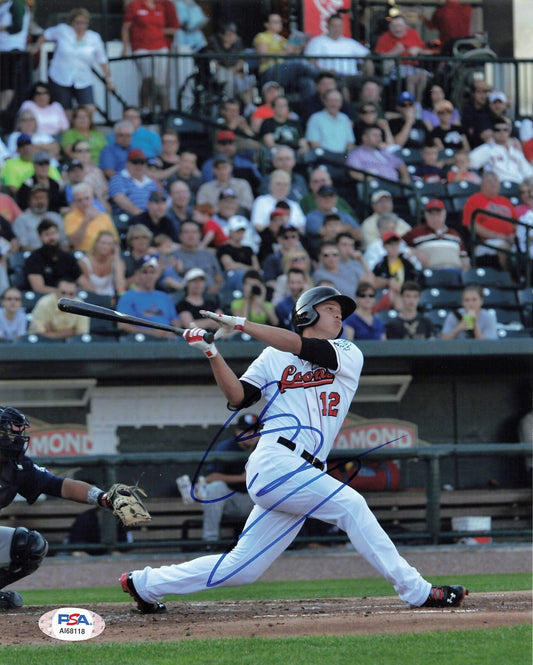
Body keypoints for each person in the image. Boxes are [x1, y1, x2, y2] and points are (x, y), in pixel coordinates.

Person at [119, 284, 469, 613]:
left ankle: (146, 584)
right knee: (351, 505)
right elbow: (239, 397)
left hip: (304, 471)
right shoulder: (272, 357)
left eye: (340, 311)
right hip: (276, 461)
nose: (338, 316)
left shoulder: (347, 351)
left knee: (242, 569)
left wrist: (241, 324)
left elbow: (304, 348)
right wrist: (212, 353)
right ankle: (418, 591)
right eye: (329, 309)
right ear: (306, 315)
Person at [0, 406, 124, 608]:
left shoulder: (17, 467)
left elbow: (60, 486)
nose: (12, 439)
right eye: (4, 433)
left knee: (29, 545)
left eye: (12, 433)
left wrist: (103, 498)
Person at [31, 9, 114, 117]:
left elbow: (102, 60)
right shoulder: (62, 30)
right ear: (71, 22)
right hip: (60, 76)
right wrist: (36, 48)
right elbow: (46, 35)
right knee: (65, 111)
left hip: (83, 78)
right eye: (77, 22)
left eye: (83, 23)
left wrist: (109, 80)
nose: (80, 26)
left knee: (89, 108)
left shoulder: (94, 37)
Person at [199, 413, 261, 544]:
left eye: (254, 431)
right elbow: (210, 478)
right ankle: (210, 541)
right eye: (246, 431)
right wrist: (240, 478)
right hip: (231, 500)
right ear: (237, 431)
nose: (251, 435)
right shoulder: (226, 447)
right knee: (214, 488)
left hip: (256, 501)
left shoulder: (265, 448)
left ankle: (273, 543)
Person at [121, 0, 179, 115]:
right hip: (141, 46)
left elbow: (172, 28)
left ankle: (164, 110)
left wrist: (157, 32)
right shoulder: (135, 5)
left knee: (161, 82)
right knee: (148, 78)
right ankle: (145, 108)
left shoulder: (160, 7)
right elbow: (126, 27)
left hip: (160, 46)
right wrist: (125, 47)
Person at [304, 13, 373, 102]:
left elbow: (367, 55)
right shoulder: (317, 41)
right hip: (331, 76)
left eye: (339, 26)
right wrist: (325, 71)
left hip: (353, 76)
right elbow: (311, 62)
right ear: (327, 26)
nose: (337, 29)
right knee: (342, 83)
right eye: (334, 26)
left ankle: (371, 109)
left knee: (372, 83)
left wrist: (367, 72)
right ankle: (347, 110)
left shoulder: (350, 42)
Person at [252, 12, 318, 101]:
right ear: (266, 24)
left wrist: (299, 47)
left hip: (286, 71)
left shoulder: (283, 39)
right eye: (275, 22)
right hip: (270, 70)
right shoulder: (262, 37)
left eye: (280, 22)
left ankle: (309, 110)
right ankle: (322, 77)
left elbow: (291, 55)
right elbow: (263, 58)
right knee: (302, 64)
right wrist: (285, 51)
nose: (279, 25)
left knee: (307, 82)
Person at [461, 172, 516, 270]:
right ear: (482, 184)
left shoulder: (505, 201)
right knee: (504, 247)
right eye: (489, 181)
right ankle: (511, 280)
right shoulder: (474, 200)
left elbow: (516, 223)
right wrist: (498, 236)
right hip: (485, 242)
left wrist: (514, 236)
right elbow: (471, 225)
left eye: (495, 181)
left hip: (510, 240)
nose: (493, 184)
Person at [116, 255, 180, 338]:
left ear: (156, 275)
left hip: (167, 340)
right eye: (145, 272)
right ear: (137, 274)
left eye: (152, 272)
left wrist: (171, 333)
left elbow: (176, 324)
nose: (149, 276)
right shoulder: (128, 296)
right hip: (141, 340)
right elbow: (122, 325)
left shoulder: (164, 296)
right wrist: (152, 333)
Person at [373, 15, 432, 104]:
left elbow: (427, 52)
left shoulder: (413, 34)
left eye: (399, 26)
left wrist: (418, 50)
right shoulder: (384, 37)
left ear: (406, 27)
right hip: (394, 69)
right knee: (412, 78)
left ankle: (418, 105)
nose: (397, 29)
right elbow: (378, 58)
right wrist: (394, 52)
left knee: (422, 76)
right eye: (394, 26)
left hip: (414, 67)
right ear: (390, 27)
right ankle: (410, 104)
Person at [402, 198, 470, 273]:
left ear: (445, 215)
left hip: (456, 272)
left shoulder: (454, 234)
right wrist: (414, 252)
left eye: (438, 214)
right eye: (431, 214)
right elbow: (398, 244)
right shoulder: (416, 232)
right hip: (431, 273)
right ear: (425, 215)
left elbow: (464, 257)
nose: (435, 218)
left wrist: (465, 273)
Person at [206, 23, 256, 111]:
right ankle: (229, 105)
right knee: (230, 78)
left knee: (248, 79)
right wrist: (229, 71)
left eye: (233, 34)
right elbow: (213, 62)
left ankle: (248, 106)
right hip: (220, 71)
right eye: (229, 34)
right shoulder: (213, 42)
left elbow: (241, 60)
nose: (232, 37)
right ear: (222, 35)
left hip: (235, 71)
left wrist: (235, 69)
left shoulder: (238, 42)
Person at [24, 218, 82, 294]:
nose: (52, 238)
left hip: (70, 298)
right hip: (46, 299)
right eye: (47, 234)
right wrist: (64, 294)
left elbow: (81, 281)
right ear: (40, 237)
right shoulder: (34, 258)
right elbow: (38, 288)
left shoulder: (68, 257)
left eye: (54, 233)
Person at [468, 120, 533, 185]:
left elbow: (529, 172)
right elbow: (467, 163)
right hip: (497, 187)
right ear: (492, 132)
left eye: (505, 130)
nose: (502, 133)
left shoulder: (515, 152)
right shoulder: (487, 148)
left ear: (509, 132)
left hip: (518, 187)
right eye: (497, 130)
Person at [305, 186, 361, 256]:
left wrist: (335, 230)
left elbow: (359, 236)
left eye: (331, 196)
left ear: (336, 198)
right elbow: (324, 232)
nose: (328, 199)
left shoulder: (344, 215)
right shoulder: (312, 216)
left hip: (346, 254)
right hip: (322, 254)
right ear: (317, 199)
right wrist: (347, 228)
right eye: (324, 196)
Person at [64, 182, 119, 252]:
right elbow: (74, 243)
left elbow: (115, 241)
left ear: (92, 199)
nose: (84, 203)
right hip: (83, 254)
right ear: (75, 202)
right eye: (79, 200)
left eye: (87, 198)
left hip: (105, 255)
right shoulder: (69, 218)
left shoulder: (104, 217)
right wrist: (86, 220)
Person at [173, 220, 224, 295]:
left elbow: (219, 279)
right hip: (186, 296)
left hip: (211, 296)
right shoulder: (174, 256)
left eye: (194, 232)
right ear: (180, 236)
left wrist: (216, 287)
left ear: (200, 235)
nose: (191, 235)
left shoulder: (209, 255)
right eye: (186, 232)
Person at [373, 231, 420, 311]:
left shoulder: (407, 263)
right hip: (388, 294)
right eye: (391, 245)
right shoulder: (380, 265)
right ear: (384, 246)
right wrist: (388, 283)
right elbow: (374, 281)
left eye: (396, 244)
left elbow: (416, 277)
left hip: (406, 293)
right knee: (393, 292)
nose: (394, 248)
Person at [108, 149, 161, 218]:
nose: (138, 166)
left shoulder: (152, 183)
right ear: (127, 164)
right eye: (135, 162)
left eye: (142, 162)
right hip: (129, 218)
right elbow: (119, 198)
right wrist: (141, 215)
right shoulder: (118, 178)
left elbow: (160, 200)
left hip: (151, 218)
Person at [12, 185, 65, 251]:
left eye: (43, 198)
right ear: (29, 201)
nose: (40, 201)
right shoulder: (21, 220)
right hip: (32, 258)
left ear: (48, 200)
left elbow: (64, 242)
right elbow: (23, 246)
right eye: (36, 198)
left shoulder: (56, 217)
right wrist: (42, 255)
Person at [305, 89, 355, 156]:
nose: (334, 104)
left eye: (337, 101)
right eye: (331, 101)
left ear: (341, 103)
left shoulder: (345, 119)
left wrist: (346, 157)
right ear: (325, 102)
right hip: (323, 158)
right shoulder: (315, 118)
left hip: (342, 158)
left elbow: (350, 143)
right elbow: (314, 143)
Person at [78, 230, 126, 296]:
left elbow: (120, 287)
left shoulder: (117, 263)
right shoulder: (84, 262)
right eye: (103, 243)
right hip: (91, 298)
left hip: (110, 299)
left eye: (109, 244)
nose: (105, 246)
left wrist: (117, 256)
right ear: (96, 243)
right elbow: (86, 286)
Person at [461, 79, 493, 149]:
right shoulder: (467, 111)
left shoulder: (490, 108)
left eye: (485, 92)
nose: (483, 96)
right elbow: (468, 132)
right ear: (473, 93)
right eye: (479, 92)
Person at [123, 224, 156, 288]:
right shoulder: (124, 258)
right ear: (130, 241)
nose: (141, 241)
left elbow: (154, 280)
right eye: (136, 238)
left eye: (144, 237)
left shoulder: (155, 256)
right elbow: (121, 284)